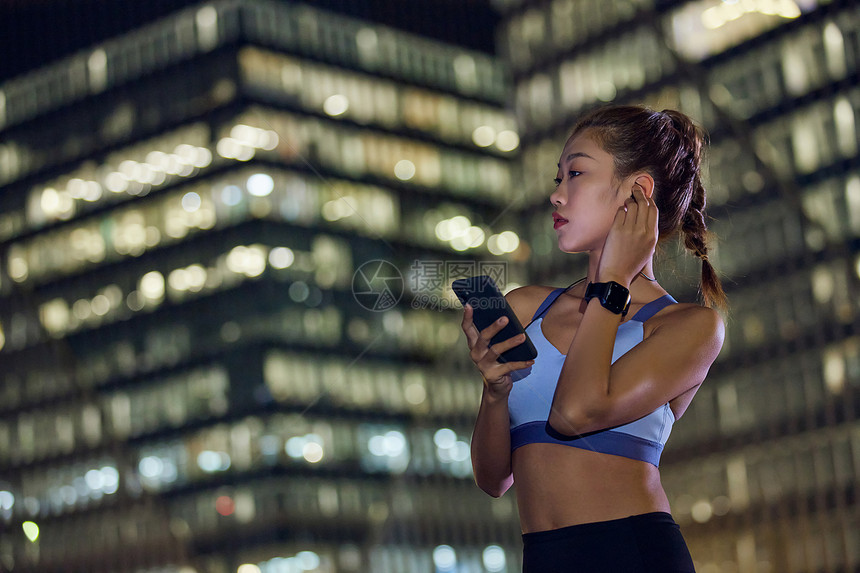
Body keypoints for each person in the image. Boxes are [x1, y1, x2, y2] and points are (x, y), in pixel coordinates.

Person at [460, 104, 728, 572]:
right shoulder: (527, 306)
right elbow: (492, 479)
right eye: (556, 179)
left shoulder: (688, 326)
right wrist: (495, 391)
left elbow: (574, 413)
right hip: (542, 558)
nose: (557, 196)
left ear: (638, 192)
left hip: (634, 553)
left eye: (575, 174)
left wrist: (614, 283)